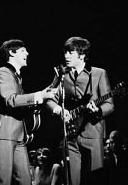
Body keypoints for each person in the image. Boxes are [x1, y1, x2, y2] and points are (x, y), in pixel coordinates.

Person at [0, 39, 58, 185]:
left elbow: (22, 103)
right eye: (23, 50)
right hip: (4, 135)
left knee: (25, 180)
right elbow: (11, 100)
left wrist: (45, 94)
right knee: (3, 180)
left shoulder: (17, 77)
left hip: (18, 136)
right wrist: (39, 95)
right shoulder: (3, 72)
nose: (27, 53)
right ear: (12, 53)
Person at [46, 36, 115, 185]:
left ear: (82, 55)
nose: (66, 56)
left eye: (70, 53)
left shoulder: (99, 74)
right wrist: (59, 110)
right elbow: (50, 98)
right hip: (70, 135)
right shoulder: (63, 75)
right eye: (65, 52)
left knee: (95, 178)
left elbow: (109, 105)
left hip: (93, 134)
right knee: (71, 179)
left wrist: (97, 110)